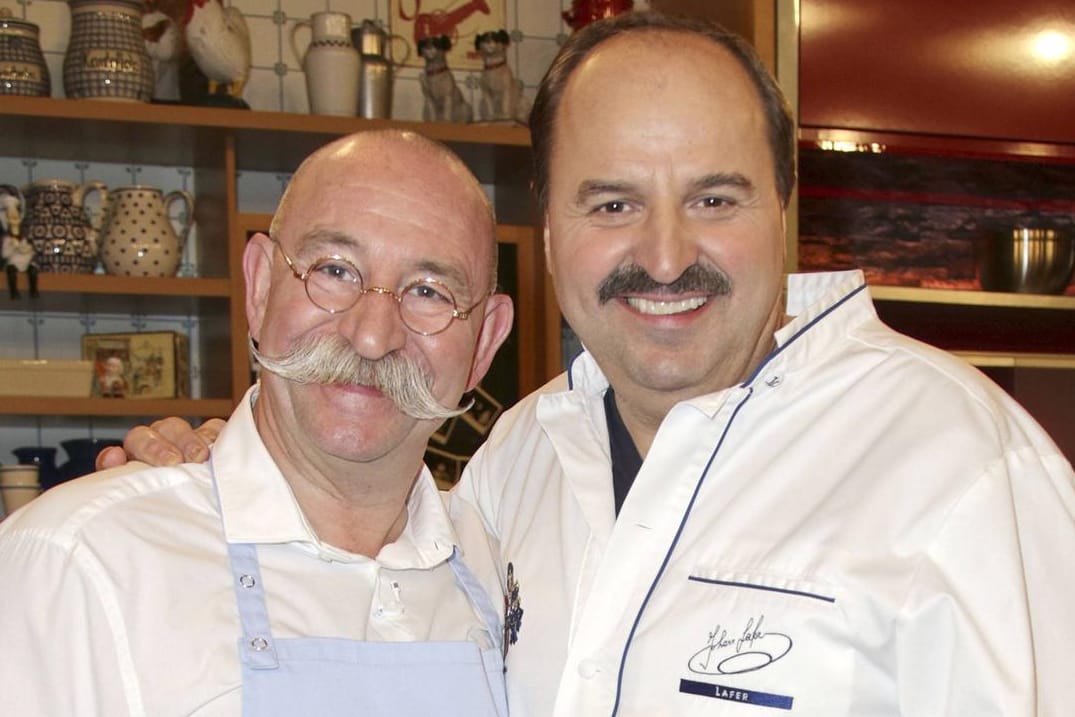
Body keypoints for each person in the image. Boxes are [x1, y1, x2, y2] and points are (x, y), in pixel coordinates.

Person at [100, 10, 1075, 717]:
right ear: (550, 227)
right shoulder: (513, 466)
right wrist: (204, 487)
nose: (660, 256)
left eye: (714, 200)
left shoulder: (965, 468)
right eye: (610, 203)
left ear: (786, 207)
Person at [0, 130, 515, 716]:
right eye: (335, 271)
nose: (372, 337)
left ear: (485, 344)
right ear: (261, 284)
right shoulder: (78, 561)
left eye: (428, 291)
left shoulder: (507, 574)